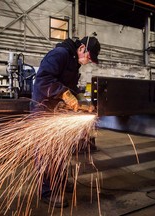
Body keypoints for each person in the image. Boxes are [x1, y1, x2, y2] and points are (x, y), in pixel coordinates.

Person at [31, 36, 101, 208]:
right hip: (44, 110)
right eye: (89, 58)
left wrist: (82, 101)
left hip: (57, 112)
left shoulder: (74, 62)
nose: (88, 62)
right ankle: (48, 191)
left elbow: (72, 88)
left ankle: (59, 182)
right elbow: (43, 80)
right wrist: (64, 94)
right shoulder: (59, 54)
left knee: (60, 151)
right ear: (82, 48)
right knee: (47, 153)